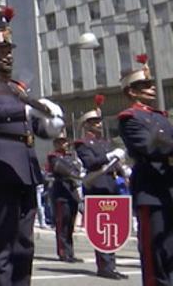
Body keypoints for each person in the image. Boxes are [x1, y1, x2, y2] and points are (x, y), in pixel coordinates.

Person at [0, 7, 63, 286]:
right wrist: (26, 111)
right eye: (0, 50)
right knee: (3, 243)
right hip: (0, 166)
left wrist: (48, 126)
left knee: (24, 245)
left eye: (10, 49)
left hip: (26, 167)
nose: (8, 54)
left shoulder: (17, 89)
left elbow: (31, 127)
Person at [116, 55, 173, 285]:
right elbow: (149, 145)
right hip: (151, 191)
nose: (151, 89)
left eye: (151, 85)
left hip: (168, 188)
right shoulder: (129, 118)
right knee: (155, 254)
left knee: (170, 251)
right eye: (145, 86)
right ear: (132, 92)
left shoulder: (160, 117)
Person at [74, 95, 128, 279]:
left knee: (113, 228)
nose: (98, 124)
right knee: (101, 228)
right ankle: (104, 266)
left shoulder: (104, 142)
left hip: (111, 186)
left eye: (99, 121)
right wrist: (110, 156)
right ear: (87, 125)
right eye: (94, 122)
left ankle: (110, 265)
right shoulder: (82, 144)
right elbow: (91, 163)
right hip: (96, 187)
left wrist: (123, 172)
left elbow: (113, 162)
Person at [47, 136, 82, 263]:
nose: (64, 144)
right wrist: (70, 171)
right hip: (60, 191)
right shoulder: (53, 156)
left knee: (70, 225)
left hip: (71, 191)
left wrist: (72, 170)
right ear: (56, 143)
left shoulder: (71, 157)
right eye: (61, 142)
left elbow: (77, 169)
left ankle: (70, 252)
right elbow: (59, 168)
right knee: (62, 223)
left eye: (65, 141)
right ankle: (63, 252)